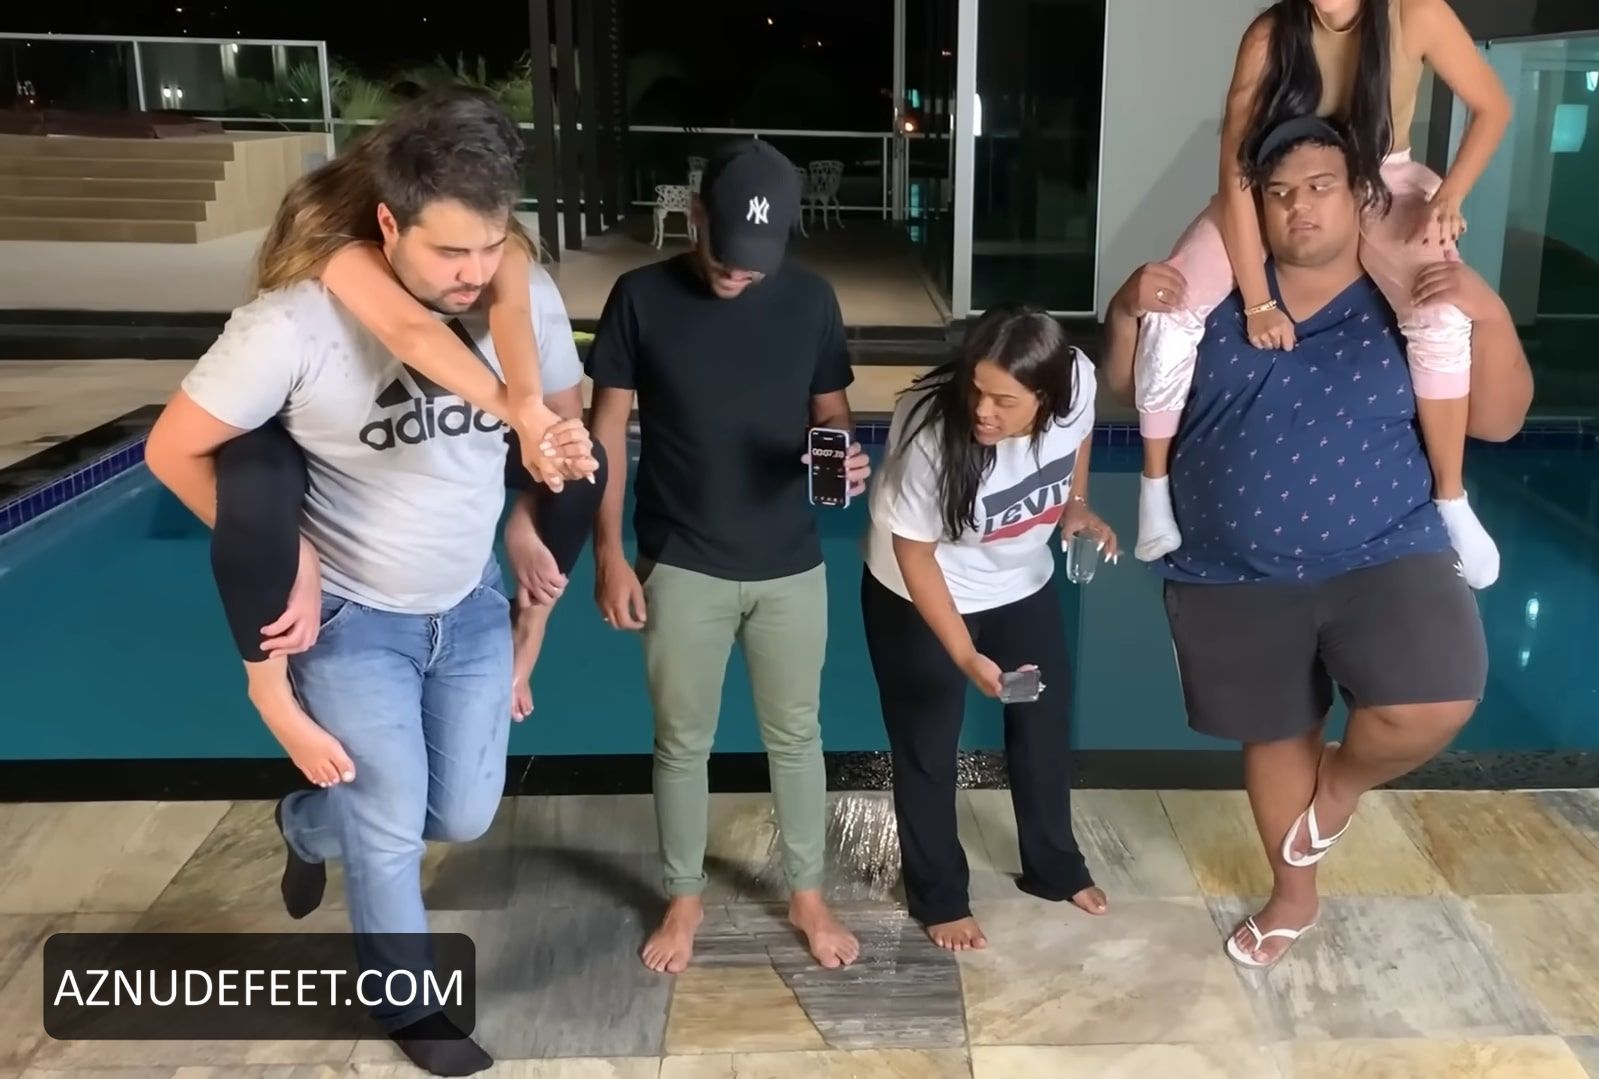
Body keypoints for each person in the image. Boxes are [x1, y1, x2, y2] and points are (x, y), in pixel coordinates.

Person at [144, 91, 594, 1076]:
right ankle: (409, 1003)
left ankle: (306, 821)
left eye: (490, 248)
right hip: (352, 618)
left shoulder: (514, 288)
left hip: (467, 602)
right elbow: (171, 451)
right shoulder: (292, 323)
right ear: (388, 225)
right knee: (390, 826)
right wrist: (294, 553)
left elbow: (550, 410)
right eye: (450, 253)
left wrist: (532, 499)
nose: (474, 272)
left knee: (460, 814)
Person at [1103, 116, 1532, 969]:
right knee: (1276, 731)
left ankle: (1337, 787)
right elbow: (1125, 389)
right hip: (1231, 566)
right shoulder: (1219, 293)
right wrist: (1124, 311)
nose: (1298, 206)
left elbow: (1498, 419)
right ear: (1254, 206)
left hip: (1386, 550)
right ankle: (1291, 894)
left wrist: (1483, 309)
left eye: (1319, 187)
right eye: (1278, 192)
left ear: (1359, 196)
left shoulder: (1401, 291)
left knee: (1435, 698)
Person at [586, 139, 870, 974]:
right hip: (681, 558)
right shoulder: (639, 297)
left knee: (798, 734)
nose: (738, 274)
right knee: (681, 741)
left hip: (791, 560)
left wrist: (840, 455)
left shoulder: (811, 299)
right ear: (696, 215)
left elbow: (831, 412)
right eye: (725, 256)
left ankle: (807, 893)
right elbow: (607, 431)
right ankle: (683, 896)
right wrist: (608, 552)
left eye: (755, 263)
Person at [1131, 0, 1511, 592]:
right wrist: (1258, 301)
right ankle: (1153, 488)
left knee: (1439, 310)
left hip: (1386, 176)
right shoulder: (1269, 34)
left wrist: (1450, 195)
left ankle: (1451, 498)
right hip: (1286, 182)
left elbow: (1492, 107)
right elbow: (1236, 169)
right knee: (1172, 303)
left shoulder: (1416, 13)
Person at [861, 306, 1118, 951]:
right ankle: (940, 896)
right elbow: (914, 553)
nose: (982, 410)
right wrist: (964, 653)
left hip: (1019, 585)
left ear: (1047, 396)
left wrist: (1076, 504)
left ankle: (1054, 867)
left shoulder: (1076, 378)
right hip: (918, 594)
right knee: (928, 742)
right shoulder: (929, 430)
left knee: (1042, 719)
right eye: (977, 390)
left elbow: (1082, 431)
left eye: (1004, 401)